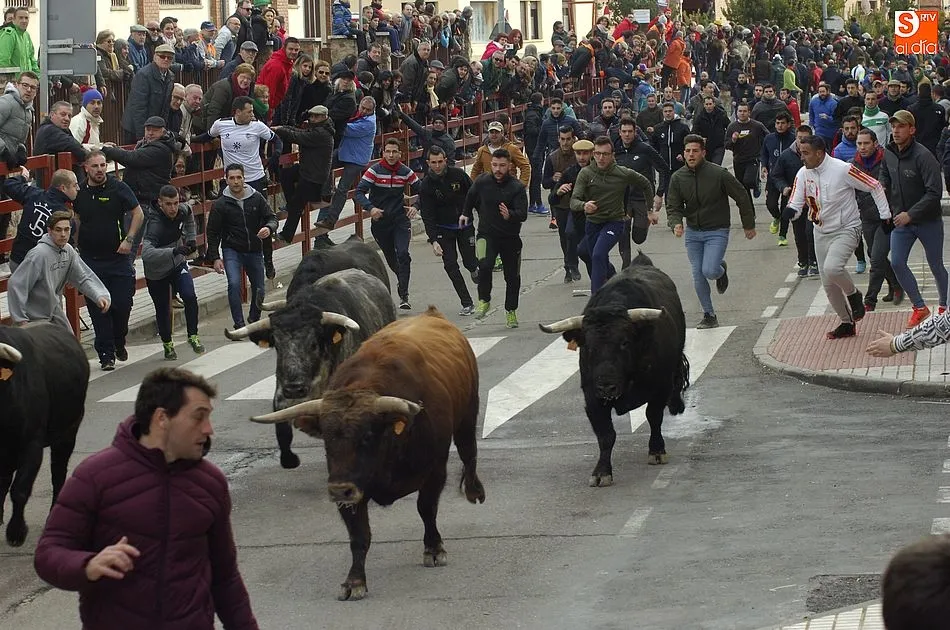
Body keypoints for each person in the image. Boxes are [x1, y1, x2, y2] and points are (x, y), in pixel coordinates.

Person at [34, 367, 260, 630]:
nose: (209, 430)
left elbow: (226, 577)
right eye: (199, 417)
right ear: (162, 418)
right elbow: (49, 552)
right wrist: (88, 565)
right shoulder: (95, 476)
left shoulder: (210, 483)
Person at [783, 136, 891, 340]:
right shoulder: (803, 174)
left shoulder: (843, 169)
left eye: (805, 153)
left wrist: (885, 215)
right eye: (800, 153)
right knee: (828, 284)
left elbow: (874, 185)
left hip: (847, 228)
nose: (802, 157)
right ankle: (846, 323)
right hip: (820, 231)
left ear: (819, 153)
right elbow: (796, 203)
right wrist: (790, 213)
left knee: (832, 268)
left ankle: (854, 295)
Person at [666, 135, 756, 329]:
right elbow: (672, 206)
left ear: (703, 153)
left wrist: (748, 224)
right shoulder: (678, 178)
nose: (691, 154)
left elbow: (741, 195)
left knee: (709, 270)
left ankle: (720, 270)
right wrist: (675, 223)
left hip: (717, 230)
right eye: (688, 151)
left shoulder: (719, 174)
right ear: (684, 153)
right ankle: (709, 314)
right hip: (693, 233)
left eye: (695, 151)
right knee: (698, 274)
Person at [73, 150, 145, 370]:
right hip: (90, 260)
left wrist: (129, 240)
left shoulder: (118, 187)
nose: (100, 170)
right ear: (86, 168)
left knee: (122, 304)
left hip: (118, 258)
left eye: (103, 165)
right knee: (99, 308)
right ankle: (106, 354)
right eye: (95, 166)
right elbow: (76, 220)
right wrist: (75, 248)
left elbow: (138, 213)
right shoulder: (80, 192)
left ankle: (119, 341)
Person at [879, 110, 946, 329]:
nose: (896, 131)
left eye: (901, 126)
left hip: (927, 221)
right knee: (897, 262)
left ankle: (944, 308)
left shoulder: (924, 156)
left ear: (912, 129)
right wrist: (885, 202)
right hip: (901, 221)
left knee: (936, 265)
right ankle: (920, 307)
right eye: (894, 126)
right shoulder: (888, 152)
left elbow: (934, 192)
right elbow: (884, 177)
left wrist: (912, 214)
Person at [570, 136, 654, 294]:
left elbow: (646, 184)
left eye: (605, 154)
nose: (601, 158)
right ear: (593, 154)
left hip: (614, 222)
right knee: (595, 256)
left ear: (612, 155)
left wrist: (649, 210)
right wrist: (584, 206)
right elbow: (574, 201)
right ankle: (617, 280)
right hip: (593, 223)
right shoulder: (586, 173)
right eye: (597, 153)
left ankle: (596, 298)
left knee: (598, 254)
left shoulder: (622, 173)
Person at [206, 96, 279, 278]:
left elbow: (277, 139)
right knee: (228, 221)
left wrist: (274, 156)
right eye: (249, 111)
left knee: (262, 223)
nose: (253, 114)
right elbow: (207, 136)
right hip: (231, 181)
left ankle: (268, 260)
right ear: (237, 112)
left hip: (255, 178)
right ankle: (226, 260)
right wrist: (187, 141)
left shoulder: (257, 126)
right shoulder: (221, 125)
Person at [7, 210, 111, 330]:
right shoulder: (38, 254)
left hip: (54, 313)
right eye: (58, 230)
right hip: (34, 318)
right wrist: (21, 320)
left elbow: (83, 276)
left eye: (67, 229)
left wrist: (99, 295)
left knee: (70, 345)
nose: (63, 234)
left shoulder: (68, 250)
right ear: (49, 231)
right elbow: (16, 284)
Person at [206, 163, 277, 330]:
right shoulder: (220, 204)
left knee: (259, 287)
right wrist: (215, 258)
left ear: (244, 179)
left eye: (239, 177)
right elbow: (212, 232)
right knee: (234, 284)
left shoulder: (257, 197)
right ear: (226, 180)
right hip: (232, 249)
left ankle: (254, 318)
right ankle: (239, 324)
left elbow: (272, 217)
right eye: (232, 178)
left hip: (254, 248)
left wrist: (269, 228)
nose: (236, 181)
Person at [462, 148, 528, 328]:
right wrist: (465, 213)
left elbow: (523, 214)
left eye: (502, 166)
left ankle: (511, 310)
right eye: (495, 165)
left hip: (510, 238)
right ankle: (484, 300)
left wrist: (510, 215)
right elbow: (470, 196)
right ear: (491, 164)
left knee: (512, 277)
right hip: (485, 235)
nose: (498, 169)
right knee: (483, 265)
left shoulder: (517, 187)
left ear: (510, 166)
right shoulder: (483, 181)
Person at [353, 137, 420, 310]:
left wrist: (416, 206)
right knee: (391, 258)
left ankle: (404, 296)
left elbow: (424, 190)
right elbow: (358, 192)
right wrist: (371, 208)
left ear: (400, 154)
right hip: (381, 221)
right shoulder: (374, 171)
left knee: (403, 254)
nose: (390, 155)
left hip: (400, 220)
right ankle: (401, 279)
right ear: (383, 153)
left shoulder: (405, 172)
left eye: (394, 152)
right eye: (387, 151)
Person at [142, 185, 203, 360]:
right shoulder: (154, 224)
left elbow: (190, 213)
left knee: (189, 295)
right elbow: (146, 254)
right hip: (156, 272)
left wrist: (191, 239)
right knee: (163, 309)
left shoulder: (182, 210)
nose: (173, 208)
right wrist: (173, 251)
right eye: (168, 204)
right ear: (160, 203)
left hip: (177, 265)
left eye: (176, 203)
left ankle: (193, 336)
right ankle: (167, 344)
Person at [416, 145, 478, 315]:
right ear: (428, 163)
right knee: (450, 265)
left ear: (446, 160)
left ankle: (474, 269)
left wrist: (483, 217)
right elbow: (427, 215)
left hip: (464, 225)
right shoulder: (426, 185)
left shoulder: (458, 175)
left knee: (470, 261)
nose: (437, 166)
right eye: (433, 162)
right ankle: (467, 303)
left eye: (440, 162)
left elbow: (474, 195)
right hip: (443, 229)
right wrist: (433, 240)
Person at [853, 128, 902, 312]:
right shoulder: (854, 164)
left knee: (877, 258)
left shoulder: (887, 160)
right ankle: (896, 283)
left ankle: (869, 301)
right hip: (867, 217)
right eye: (859, 144)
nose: (863, 147)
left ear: (875, 143)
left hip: (886, 217)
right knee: (874, 254)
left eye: (866, 143)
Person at [272, 105, 335, 244]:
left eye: (316, 116)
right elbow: (299, 132)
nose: (312, 118)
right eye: (311, 116)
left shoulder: (321, 133)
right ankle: (291, 205)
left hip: (314, 176)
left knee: (297, 204)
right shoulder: (319, 129)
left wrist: (281, 130)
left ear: (324, 117)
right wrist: (282, 127)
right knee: (286, 174)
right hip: (307, 169)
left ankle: (286, 235)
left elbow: (298, 136)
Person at [4, 168, 78, 272]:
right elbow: (66, 247)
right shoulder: (64, 216)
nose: (78, 188)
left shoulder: (34, 194)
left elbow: (9, 184)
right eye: (75, 185)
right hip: (41, 267)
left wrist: (24, 177)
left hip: (17, 260)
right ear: (63, 188)